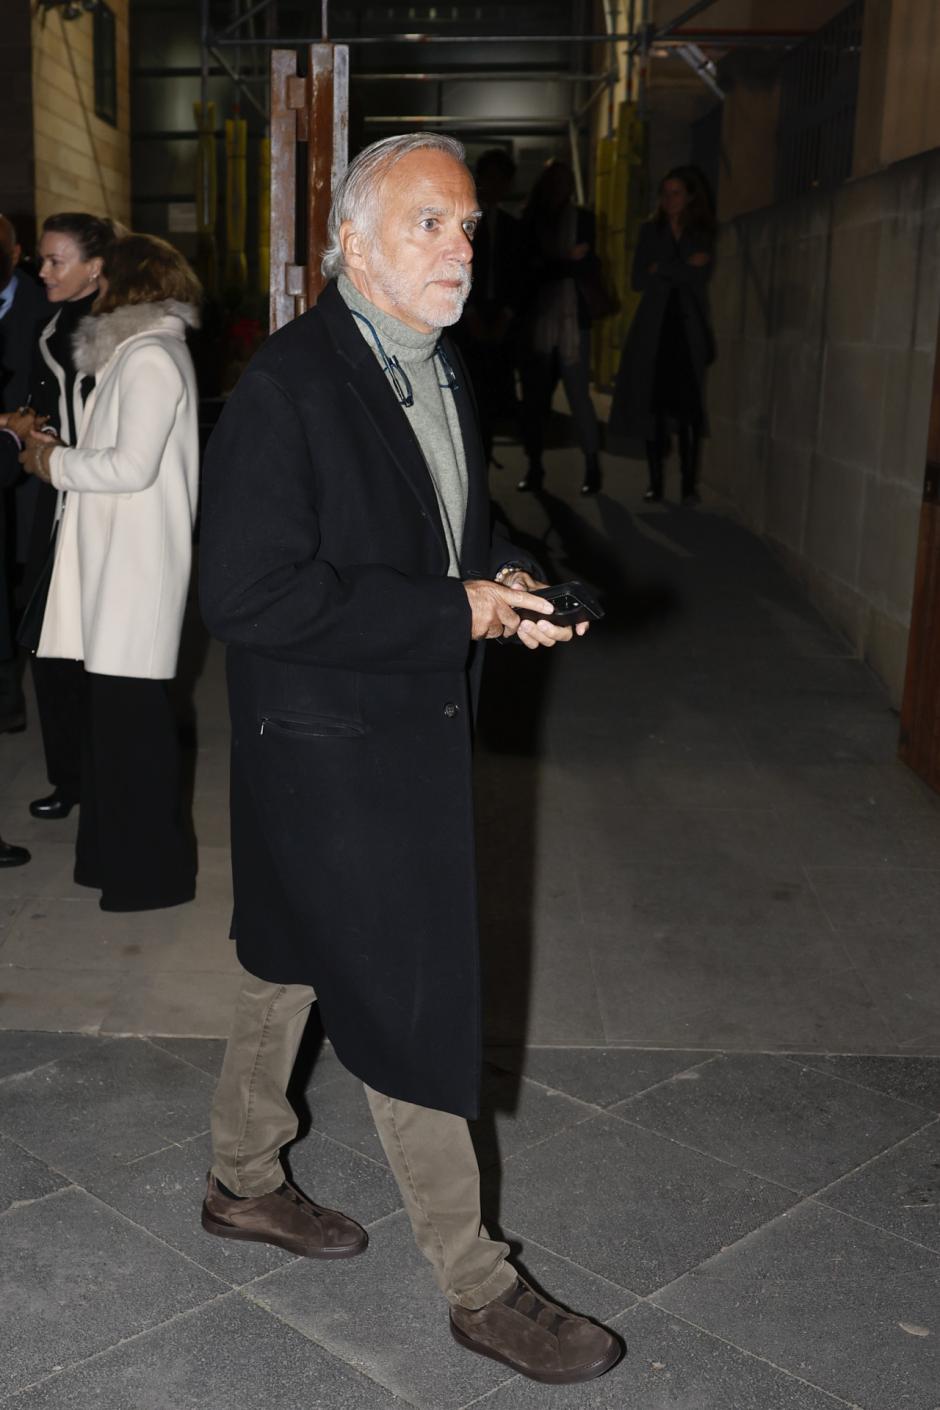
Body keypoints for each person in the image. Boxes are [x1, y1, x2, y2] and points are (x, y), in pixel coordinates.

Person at [198, 132, 622, 1387]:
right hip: (333, 756)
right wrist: (454, 613)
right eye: (431, 225)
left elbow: (456, 536)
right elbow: (246, 595)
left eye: (470, 227)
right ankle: (479, 1285)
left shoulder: (438, 370)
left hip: (392, 738)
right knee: (407, 1007)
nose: (462, 248)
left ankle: (239, 1177)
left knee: (288, 963)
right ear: (352, 241)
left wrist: (521, 589)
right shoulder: (290, 386)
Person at [19, 233, 200, 912]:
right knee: (116, 736)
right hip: (119, 567)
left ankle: (150, 878)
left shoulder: (152, 355)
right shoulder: (137, 352)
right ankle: (110, 863)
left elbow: (132, 467)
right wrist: (66, 451)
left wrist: (51, 466)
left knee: (136, 740)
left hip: (137, 574)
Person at [21, 212, 119, 823]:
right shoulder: (51, 323)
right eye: (43, 258)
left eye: (57, 260)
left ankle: (103, 777)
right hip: (55, 505)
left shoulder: (122, 330)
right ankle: (70, 778)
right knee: (49, 649)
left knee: (97, 655)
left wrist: (55, 449)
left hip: (101, 506)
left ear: (95, 267)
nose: (43, 269)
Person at [609, 165, 716, 504]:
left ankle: (688, 484)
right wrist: (681, 267)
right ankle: (655, 482)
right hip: (654, 329)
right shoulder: (649, 231)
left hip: (687, 329)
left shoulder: (700, 231)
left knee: (687, 409)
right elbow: (639, 279)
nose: (669, 200)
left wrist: (664, 269)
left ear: (689, 197)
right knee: (652, 406)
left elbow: (700, 275)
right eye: (665, 193)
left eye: (676, 193)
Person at [516, 159, 602, 497]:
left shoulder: (582, 220)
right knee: (535, 401)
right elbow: (529, 271)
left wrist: (557, 263)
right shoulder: (532, 221)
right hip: (538, 323)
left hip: (572, 322)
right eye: (558, 182)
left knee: (579, 396)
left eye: (567, 182)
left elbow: (589, 266)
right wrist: (567, 261)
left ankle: (592, 466)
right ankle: (534, 467)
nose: (563, 189)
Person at [0, 214, 47, 734]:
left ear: (15, 254)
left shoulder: (41, 306)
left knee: (20, 581)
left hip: (29, 467)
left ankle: (10, 690)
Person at [453, 147, 521, 467]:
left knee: (495, 397)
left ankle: (486, 465)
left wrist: (506, 315)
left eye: (501, 180)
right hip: (468, 316)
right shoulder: (466, 224)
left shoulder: (512, 227)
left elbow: (519, 278)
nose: (495, 186)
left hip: (501, 318)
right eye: (489, 179)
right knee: (470, 395)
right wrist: (470, 314)